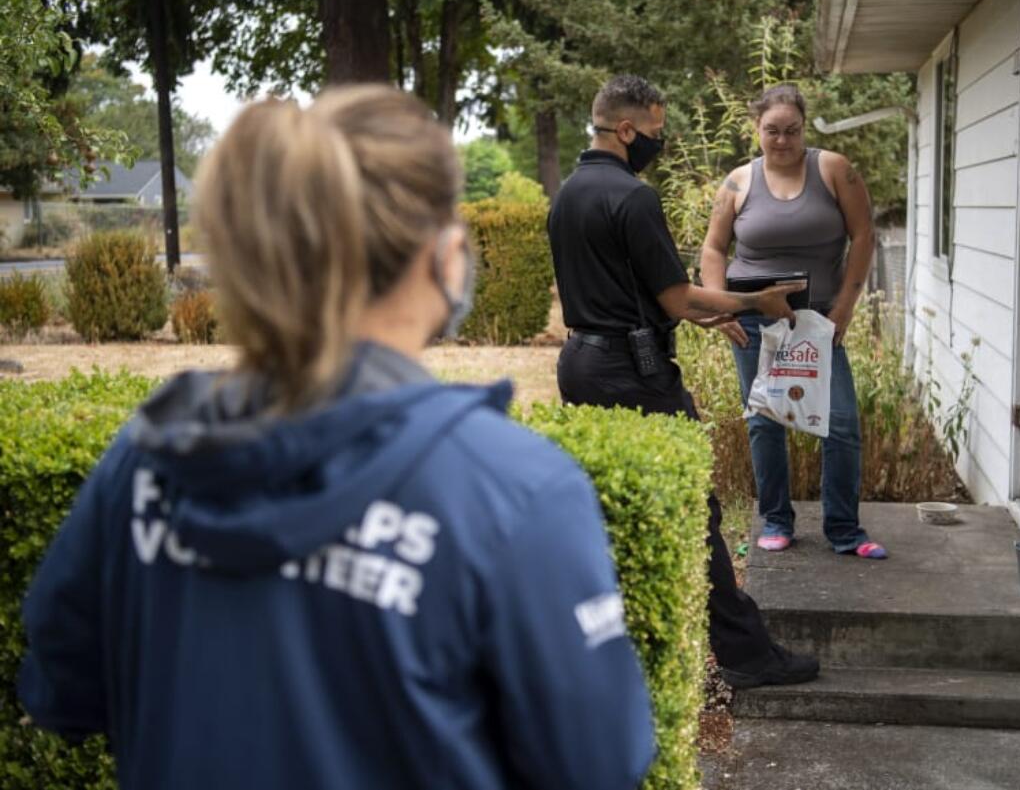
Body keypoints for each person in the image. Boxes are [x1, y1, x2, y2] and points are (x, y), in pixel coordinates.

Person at [18, 85, 656, 790]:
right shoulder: (515, 491)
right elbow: (597, 758)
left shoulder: (149, 459)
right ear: (442, 256)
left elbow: (62, 691)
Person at [549, 73, 821, 689]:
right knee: (694, 508)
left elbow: (629, 294)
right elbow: (675, 296)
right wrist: (758, 301)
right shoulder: (633, 197)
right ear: (626, 129)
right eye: (655, 132)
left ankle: (619, 647)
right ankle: (746, 654)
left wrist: (707, 313)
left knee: (616, 508)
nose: (658, 142)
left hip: (580, 363)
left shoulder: (568, 194)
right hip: (633, 373)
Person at [700, 83, 888, 559]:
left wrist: (845, 306)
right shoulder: (738, 182)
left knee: (841, 422)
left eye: (792, 130)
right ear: (756, 129)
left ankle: (845, 530)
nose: (782, 140)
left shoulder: (834, 170)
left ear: (804, 127)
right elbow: (713, 249)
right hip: (753, 323)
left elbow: (864, 235)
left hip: (817, 320)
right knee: (765, 421)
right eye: (771, 131)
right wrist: (719, 306)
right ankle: (777, 521)